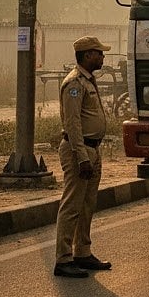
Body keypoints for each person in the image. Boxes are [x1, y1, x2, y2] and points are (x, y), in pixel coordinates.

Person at [53, 35, 112, 278]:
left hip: (92, 149)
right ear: (87, 55)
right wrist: (81, 157)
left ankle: (82, 252)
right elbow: (73, 123)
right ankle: (63, 258)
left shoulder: (88, 80)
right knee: (72, 206)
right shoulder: (74, 84)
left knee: (87, 205)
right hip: (80, 150)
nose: (102, 57)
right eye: (99, 53)